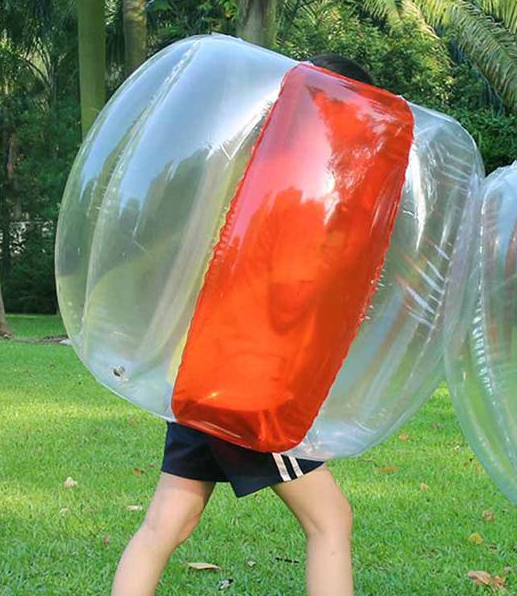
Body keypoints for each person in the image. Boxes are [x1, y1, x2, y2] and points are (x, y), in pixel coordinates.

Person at [110, 54, 375, 596]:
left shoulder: (262, 169)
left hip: (204, 369)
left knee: (167, 524)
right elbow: (291, 288)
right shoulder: (312, 186)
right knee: (331, 520)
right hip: (251, 390)